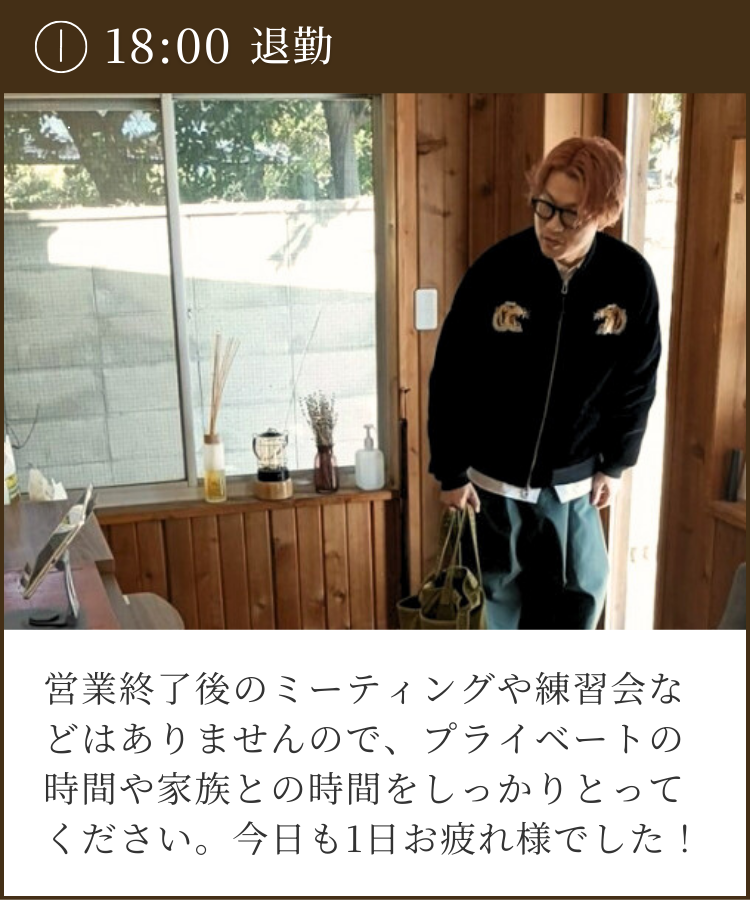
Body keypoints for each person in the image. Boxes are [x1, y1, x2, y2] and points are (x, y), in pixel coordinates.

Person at [427, 136, 662, 631]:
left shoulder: (630, 279)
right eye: (544, 206)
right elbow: (451, 374)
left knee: (577, 604)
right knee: (488, 612)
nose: (551, 225)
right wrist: (450, 471)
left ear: (602, 214)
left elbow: (637, 383)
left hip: (575, 488)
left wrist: (616, 464)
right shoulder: (496, 269)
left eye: (570, 215)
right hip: (490, 488)